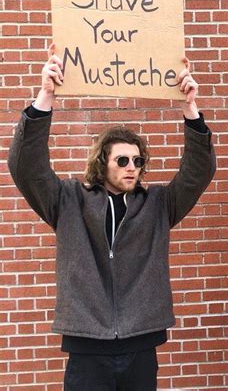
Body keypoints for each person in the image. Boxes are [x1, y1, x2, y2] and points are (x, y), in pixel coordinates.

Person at [8, 44, 216, 391]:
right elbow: (26, 168)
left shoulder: (158, 205)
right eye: (122, 160)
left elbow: (198, 172)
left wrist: (189, 109)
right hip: (88, 346)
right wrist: (45, 98)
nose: (132, 167)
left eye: (137, 161)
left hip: (140, 341)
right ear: (102, 162)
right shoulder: (68, 201)